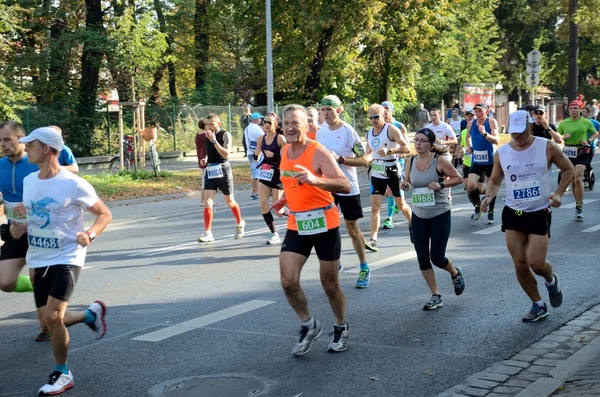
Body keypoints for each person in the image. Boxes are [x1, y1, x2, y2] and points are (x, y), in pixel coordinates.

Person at [12, 127, 112, 395]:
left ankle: (62, 372)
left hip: (67, 256)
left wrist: (89, 234)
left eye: (30, 145)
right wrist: (21, 227)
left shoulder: (73, 183)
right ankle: (90, 314)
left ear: (45, 148)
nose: (26, 149)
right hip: (38, 257)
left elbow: (104, 214)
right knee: (47, 321)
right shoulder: (30, 181)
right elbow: (35, 215)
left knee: (54, 316)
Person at [269, 104, 351, 356]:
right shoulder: (284, 150)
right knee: (288, 281)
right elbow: (292, 183)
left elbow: (344, 185)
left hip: (325, 223)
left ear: (306, 125)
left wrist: (317, 180)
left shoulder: (317, 151)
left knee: (329, 283)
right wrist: (285, 199)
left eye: (296, 122)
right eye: (287, 122)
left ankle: (341, 325)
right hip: (297, 223)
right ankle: (308, 324)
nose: (291, 127)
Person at [481, 110, 573, 322]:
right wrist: (488, 197)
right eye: (513, 133)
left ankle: (550, 280)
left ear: (531, 126)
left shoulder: (546, 146)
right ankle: (538, 304)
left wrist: (558, 192)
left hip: (539, 211)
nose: (517, 136)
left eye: (521, 131)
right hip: (513, 213)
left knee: (536, 263)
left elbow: (568, 170)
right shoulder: (502, 153)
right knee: (520, 264)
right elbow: (495, 181)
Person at [400, 128, 465, 310]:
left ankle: (455, 272)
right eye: (416, 140)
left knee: (437, 257)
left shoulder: (439, 161)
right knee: (422, 258)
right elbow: (408, 181)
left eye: (422, 140)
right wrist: (405, 185)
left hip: (439, 214)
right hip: (419, 215)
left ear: (430, 144)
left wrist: (441, 184)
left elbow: (458, 178)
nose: (418, 143)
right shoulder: (410, 160)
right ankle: (436, 295)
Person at [0, 121, 50, 340]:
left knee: (47, 325)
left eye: (7, 139)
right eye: (0, 140)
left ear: (21, 139)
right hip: (14, 232)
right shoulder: (0, 165)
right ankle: (41, 285)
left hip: (39, 231)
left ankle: (45, 301)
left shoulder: (34, 164)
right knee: (5, 282)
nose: (2, 144)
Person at [316, 95, 371, 288]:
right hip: (327, 186)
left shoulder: (348, 132)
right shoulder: (320, 132)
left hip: (347, 186)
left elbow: (364, 160)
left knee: (351, 229)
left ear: (338, 110)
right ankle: (335, 262)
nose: (325, 114)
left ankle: (364, 267)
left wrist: (340, 160)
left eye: (328, 110)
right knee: (327, 228)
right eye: (322, 110)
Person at [364, 104, 412, 252]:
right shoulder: (369, 133)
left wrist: (390, 150)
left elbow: (407, 148)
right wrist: (366, 159)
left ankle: (413, 224)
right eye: (371, 118)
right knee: (374, 207)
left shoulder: (391, 129)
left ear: (383, 115)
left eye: (376, 117)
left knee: (401, 204)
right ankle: (373, 240)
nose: (374, 120)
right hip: (377, 172)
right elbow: (369, 151)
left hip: (392, 169)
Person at [197, 114, 246, 242]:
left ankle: (240, 222)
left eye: (212, 124)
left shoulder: (225, 135)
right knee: (207, 202)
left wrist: (214, 140)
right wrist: (205, 159)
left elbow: (226, 154)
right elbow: (210, 152)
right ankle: (208, 233)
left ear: (219, 124)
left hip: (223, 169)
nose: (209, 126)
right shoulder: (207, 135)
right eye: (207, 124)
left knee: (230, 201)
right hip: (211, 169)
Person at [557, 101, 598, 220]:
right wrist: (564, 137)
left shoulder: (586, 122)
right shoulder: (564, 123)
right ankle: (577, 203)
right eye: (571, 109)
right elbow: (557, 138)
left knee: (578, 178)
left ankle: (579, 206)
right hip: (569, 152)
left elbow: (595, 133)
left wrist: (588, 141)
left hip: (582, 151)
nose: (573, 110)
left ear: (580, 110)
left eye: (575, 108)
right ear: (569, 110)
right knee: (573, 181)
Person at [254, 114, 287, 244]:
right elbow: (256, 158)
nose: (266, 125)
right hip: (265, 172)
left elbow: (287, 156)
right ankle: (274, 233)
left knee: (278, 209)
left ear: (275, 124)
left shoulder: (280, 138)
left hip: (277, 173)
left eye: (269, 122)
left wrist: (275, 155)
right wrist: (256, 154)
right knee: (263, 204)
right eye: (264, 122)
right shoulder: (260, 139)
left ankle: (297, 216)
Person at [465, 103, 500, 223]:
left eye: (480, 111)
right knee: (470, 186)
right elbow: (468, 137)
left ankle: (491, 211)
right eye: (476, 111)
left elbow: (496, 140)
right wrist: (470, 146)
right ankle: (477, 205)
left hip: (490, 161)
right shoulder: (471, 123)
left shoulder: (491, 122)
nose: (478, 114)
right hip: (477, 161)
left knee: (491, 188)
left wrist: (485, 133)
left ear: (486, 111)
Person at [380, 101, 412, 229]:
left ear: (392, 110)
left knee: (391, 189)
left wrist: (401, 152)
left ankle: (389, 218)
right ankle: (398, 202)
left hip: (397, 161)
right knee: (387, 191)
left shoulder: (399, 125)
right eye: (383, 108)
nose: (385, 111)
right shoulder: (379, 126)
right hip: (382, 162)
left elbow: (407, 145)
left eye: (387, 108)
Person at [243, 112, 264, 200]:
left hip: (250, 152)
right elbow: (263, 138)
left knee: (254, 171)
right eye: (260, 118)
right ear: (256, 119)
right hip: (257, 152)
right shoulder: (256, 128)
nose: (261, 120)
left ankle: (256, 192)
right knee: (257, 173)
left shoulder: (247, 128)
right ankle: (256, 193)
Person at [195, 118, 208, 195]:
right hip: (206, 158)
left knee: (203, 179)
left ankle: (203, 200)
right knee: (207, 181)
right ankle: (205, 199)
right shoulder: (206, 135)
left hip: (200, 157)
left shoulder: (197, 135)